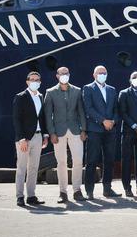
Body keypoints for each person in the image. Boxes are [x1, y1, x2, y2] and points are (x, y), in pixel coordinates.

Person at [44, 67, 87, 203]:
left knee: (78, 160)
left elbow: (81, 112)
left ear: (69, 74)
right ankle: (62, 192)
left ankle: (77, 190)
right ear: (57, 76)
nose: (64, 75)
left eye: (66, 73)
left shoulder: (77, 91)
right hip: (58, 132)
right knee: (61, 162)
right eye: (61, 74)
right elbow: (47, 115)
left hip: (75, 130)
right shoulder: (50, 93)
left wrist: (83, 129)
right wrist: (51, 133)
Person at [82, 65, 120, 199]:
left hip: (110, 130)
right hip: (95, 130)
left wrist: (113, 121)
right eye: (100, 73)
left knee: (109, 160)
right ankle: (89, 190)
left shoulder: (112, 90)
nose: (102, 75)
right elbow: (88, 108)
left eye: (104, 72)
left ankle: (107, 189)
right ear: (94, 75)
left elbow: (116, 108)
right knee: (91, 161)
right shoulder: (88, 88)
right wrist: (103, 120)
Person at [13, 72, 49, 207]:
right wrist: (21, 138)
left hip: (38, 136)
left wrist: (45, 135)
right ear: (27, 82)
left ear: (40, 82)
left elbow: (42, 118)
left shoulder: (40, 96)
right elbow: (16, 119)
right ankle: (20, 196)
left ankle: (31, 195)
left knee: (33, 168)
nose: (35, 82)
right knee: (21, 168)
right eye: (32, 80)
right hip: (25, 138)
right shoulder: (20, 97)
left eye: (37, 80)